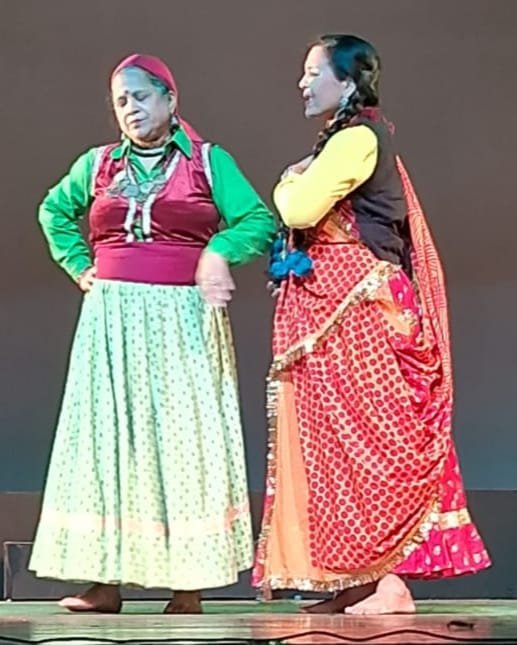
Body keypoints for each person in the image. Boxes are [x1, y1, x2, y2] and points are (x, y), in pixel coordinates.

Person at [30, 53, 277, 614]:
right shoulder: (98, 164)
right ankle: (105, 581)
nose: (131, 109)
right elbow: (54, 211)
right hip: (112, 318)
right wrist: (79, 264)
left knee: (184, 441)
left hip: (181, 315)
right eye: (121, 101)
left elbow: (257, 221)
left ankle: (187, 586)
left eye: (141, 97)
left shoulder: (207, 162)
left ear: (170, 99)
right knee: (110, 440)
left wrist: (218, 252)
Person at [252, 35, 490, 615]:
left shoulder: (358, 139)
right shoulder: (345, 139)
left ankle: (390, 583)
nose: (303, 83)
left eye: (314, 72)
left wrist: (288, 179)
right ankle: (355, 579)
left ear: (348, 82)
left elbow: (299, 209)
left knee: (372, 441)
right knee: (336, 446)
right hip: (336, 313)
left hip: (362, 311)